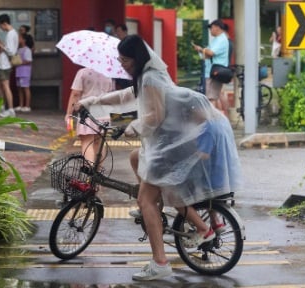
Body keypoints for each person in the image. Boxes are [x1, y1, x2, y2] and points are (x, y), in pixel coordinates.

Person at [76, 35, 242, 281]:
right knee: (135, 157)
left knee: (145, 201)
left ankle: (162, 261)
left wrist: (133, 126)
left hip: (174, 145)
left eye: (125, 60)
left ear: (137, 58)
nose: (123, 64)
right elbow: (125, 98)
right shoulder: (147, 76)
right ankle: (160, 208)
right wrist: (94, 102)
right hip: (171, 141)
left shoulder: (151, 77)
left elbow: (155, 116)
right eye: (120, 60)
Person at [65, 68, 114, 163]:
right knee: (99, 144)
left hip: (87, 113)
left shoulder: (83, 73)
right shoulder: (108, 74)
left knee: (87, 142)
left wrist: (69, 113)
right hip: (104, 112)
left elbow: (75, 94)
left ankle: (90, 173)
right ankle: (98, 173)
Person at [191, 19, 230, 112]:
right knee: (214, 96)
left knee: (211, 98)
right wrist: (202, 51)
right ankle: (221, 118)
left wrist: (201, 49)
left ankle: (213, 120)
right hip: (212, 71)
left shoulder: (221, 40)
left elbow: (211, 53)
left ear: (217, 27)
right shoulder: (217, 39)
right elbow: (208, 54)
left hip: (214, 72)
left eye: (211, 28)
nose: (210, 30)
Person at [0, 14, 19, 117]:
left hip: (5, 64)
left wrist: (0, 46)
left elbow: (10, 51)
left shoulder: (10, 34)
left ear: (4, 24)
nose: (1, 28)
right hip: (3, 64)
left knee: (5, 86)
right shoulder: (13, 33)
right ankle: (2, 107)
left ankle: (10, 109)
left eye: (0, 26)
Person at [15, 34, 33, 112]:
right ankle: (21, 105)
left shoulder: (27, 50)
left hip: (25, 72)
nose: (18, 40)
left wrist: (19, 62)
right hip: (18, 71)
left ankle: (27, 105)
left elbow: (29, 61)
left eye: (20, 38)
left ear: (24, 40)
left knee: (26, 88)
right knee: (19, 88)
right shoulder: (19, 49)